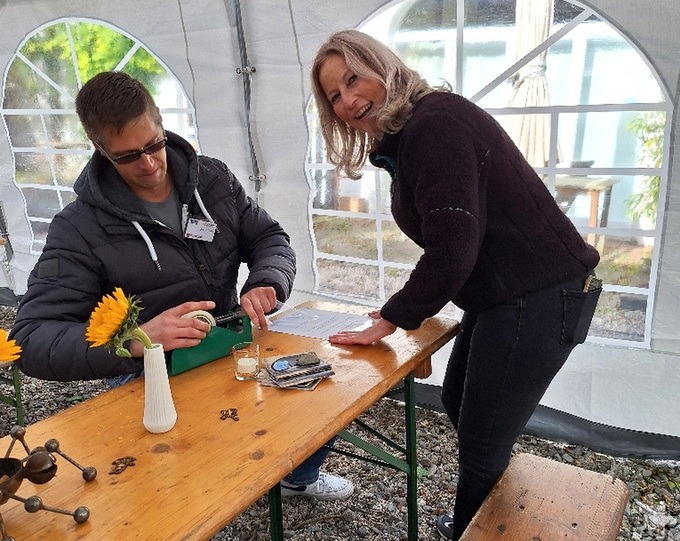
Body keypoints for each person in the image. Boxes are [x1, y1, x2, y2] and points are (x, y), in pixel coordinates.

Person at [311, 30, 601, 539]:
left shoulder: (435, 125)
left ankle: (472, 529)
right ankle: (490, 518)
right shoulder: (413, 132)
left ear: (384, 68)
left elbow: (452, 248)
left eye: (354, 79)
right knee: (457, 400)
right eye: (334, 96)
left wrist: (390, 319)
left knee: (483, 441)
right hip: (505, 295)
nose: (349, 100)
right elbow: (460, 242)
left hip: (540, 296)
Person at [10, 71, 352, 501]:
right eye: (128, 156)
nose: (149, 164)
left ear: (162, 123)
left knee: (323, 393)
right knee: (184, 485)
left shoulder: (211, 180)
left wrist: (267, 281)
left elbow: (269, 239)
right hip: (145, 374)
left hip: (228, 341)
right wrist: (136, 340)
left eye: (154, 145)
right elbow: (31, 338)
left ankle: (294, 478)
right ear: (100, 150)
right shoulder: (78, 228)